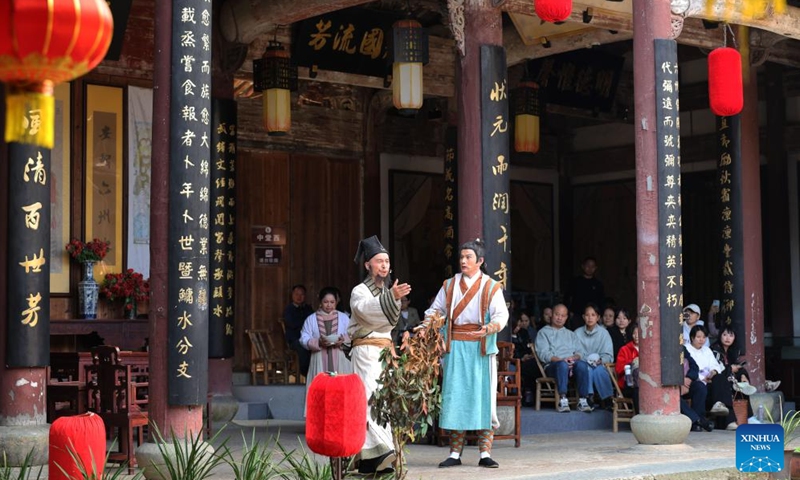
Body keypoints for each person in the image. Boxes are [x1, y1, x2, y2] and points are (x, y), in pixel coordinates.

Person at [424, 239, 509, 469]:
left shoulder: (491, 286)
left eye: (468, 257)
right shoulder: (449, 285)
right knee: (455, 398)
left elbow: (501, 315)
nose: (463, 261)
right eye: (461, 257)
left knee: (484, 399)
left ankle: (484, 454)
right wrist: (428, 325)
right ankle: (454, 453)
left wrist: (491, 327)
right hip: (455, 348)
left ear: (480, 261)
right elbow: (435, 310)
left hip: (481, 347)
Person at [348, 235, 410, 475]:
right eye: (379, 261)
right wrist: (391, 297)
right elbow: (366, 313)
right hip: (366, 351)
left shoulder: (387, 292)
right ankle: (377, 452)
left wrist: (391, 297)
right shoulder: (359, 291)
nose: (384, 265)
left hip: (384, 352)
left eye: (387, 261)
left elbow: (390, 320)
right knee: (371, 399)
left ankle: (377, 457)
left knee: (384, 399)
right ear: (367, 265)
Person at [301, 287, 352, 415]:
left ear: (336, 302)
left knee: (340, 389)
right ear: (320, 302)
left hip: (339, 356)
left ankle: (340, 418)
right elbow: (304, 338)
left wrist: (343, 340)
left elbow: (353, 334)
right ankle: (318, 420)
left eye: (332, 302)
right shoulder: (311, 319)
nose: (329, 305)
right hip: (319, 357)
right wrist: (318, 342)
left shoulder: (344, 318)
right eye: (326, 302)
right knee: (320, 389)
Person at [534, 303, 593, 413]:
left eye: (563, 315)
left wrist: (574, 358)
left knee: (582, 364)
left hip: (571, 363)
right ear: (552, 315)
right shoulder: (543, 333)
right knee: (562, 365)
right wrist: (562, 361)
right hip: (553, 366)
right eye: (557, 314)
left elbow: (580, 352)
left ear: (566, 317)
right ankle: (563, 399)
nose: (559, 318)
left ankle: (583, 399)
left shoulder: (571, 334)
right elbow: (543, 354)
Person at [710, 325, 753, 430]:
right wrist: (730, 368)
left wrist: (742, 375)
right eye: (724, 335)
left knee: (743, 386)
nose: (727, 338)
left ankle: (747, 418)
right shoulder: (714, 349)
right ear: (720, 336)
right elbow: (716, 368)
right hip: (716, 381)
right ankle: (730, 421)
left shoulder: (733, 351)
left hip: (728, 378)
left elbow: (737, 366)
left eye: (731, 335)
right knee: (726, 384)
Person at [574, 304, 615, 409]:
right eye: (587, 315)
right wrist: (586, 360)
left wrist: (601, 360)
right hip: (583, 363)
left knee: (598, 370)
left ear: (598, 317)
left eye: (593, 315)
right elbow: (574, 352)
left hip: (599, 363)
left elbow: (608, 354)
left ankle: (607, 399)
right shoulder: (577, 333)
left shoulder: (604, 333)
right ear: (583, 317)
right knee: (586, 368)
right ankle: (589, 397)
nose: (590, 318)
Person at [684, 325, 725, 429]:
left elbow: (715, 365)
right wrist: (701, 378)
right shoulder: (686, 348)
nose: (701, 340)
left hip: (709, 380)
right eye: (698, 337)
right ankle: (698, 420)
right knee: (700, 387)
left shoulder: (707, 350)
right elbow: (690, 368)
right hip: (694, 381)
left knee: (721, 379)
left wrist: (713, 372)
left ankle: (719, 406)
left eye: (704, 337)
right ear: (692, 337)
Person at [565, 257, 605, 329]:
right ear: (583, 266)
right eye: (588, 266)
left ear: (595, 268)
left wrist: (600, 315)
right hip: (577, 315)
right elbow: (568, 297)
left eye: (592, 266)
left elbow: (601, 301)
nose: (590, 268)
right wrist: (569, 311)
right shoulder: (575, 282)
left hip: (593, 316)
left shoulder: (598, 284)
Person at [283, 284, 313, 378]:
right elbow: (292, 323)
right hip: (295, 339)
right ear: (292, 295)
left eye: (302, 294)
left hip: (309, 337)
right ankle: (305, 373)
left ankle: (318, 373)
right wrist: (305, 323)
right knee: (303, 347)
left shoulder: (308, 308)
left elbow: (313, 321)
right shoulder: (289, 309)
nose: (299, 297)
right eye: (296, 294)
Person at [615, 323, 640, 413]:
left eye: (639, 333)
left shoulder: (648, 349)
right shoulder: (625, 349)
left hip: (645, 383)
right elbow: (618, 369)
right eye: (634, 333)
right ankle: (639, 417)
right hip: (629, 384)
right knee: (638, 390)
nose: (636, 336)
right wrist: (631, 362)